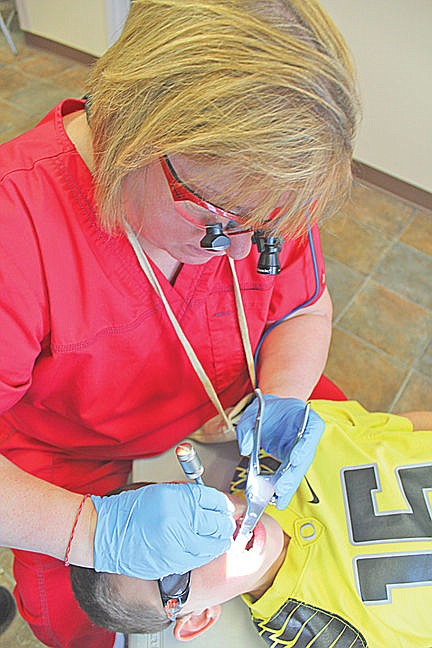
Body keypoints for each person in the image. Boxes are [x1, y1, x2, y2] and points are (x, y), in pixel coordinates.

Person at [0, 0, 359, 645]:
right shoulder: (15, 225)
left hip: (241, 404)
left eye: (265, 226)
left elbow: (304, 306)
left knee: (354, 490)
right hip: (70, 452)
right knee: (77, 613)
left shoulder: (256, 189)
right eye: (217, 220)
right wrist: (86, 529)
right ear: (131, 132)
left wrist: (282, 400)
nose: (245, 252)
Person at [70, 401, 432, 647]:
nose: (205, 538)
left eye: (177, 519)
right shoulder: (318, 631)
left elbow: (407, 428)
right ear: (197, 619)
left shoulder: (281, 444)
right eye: (174, 575)